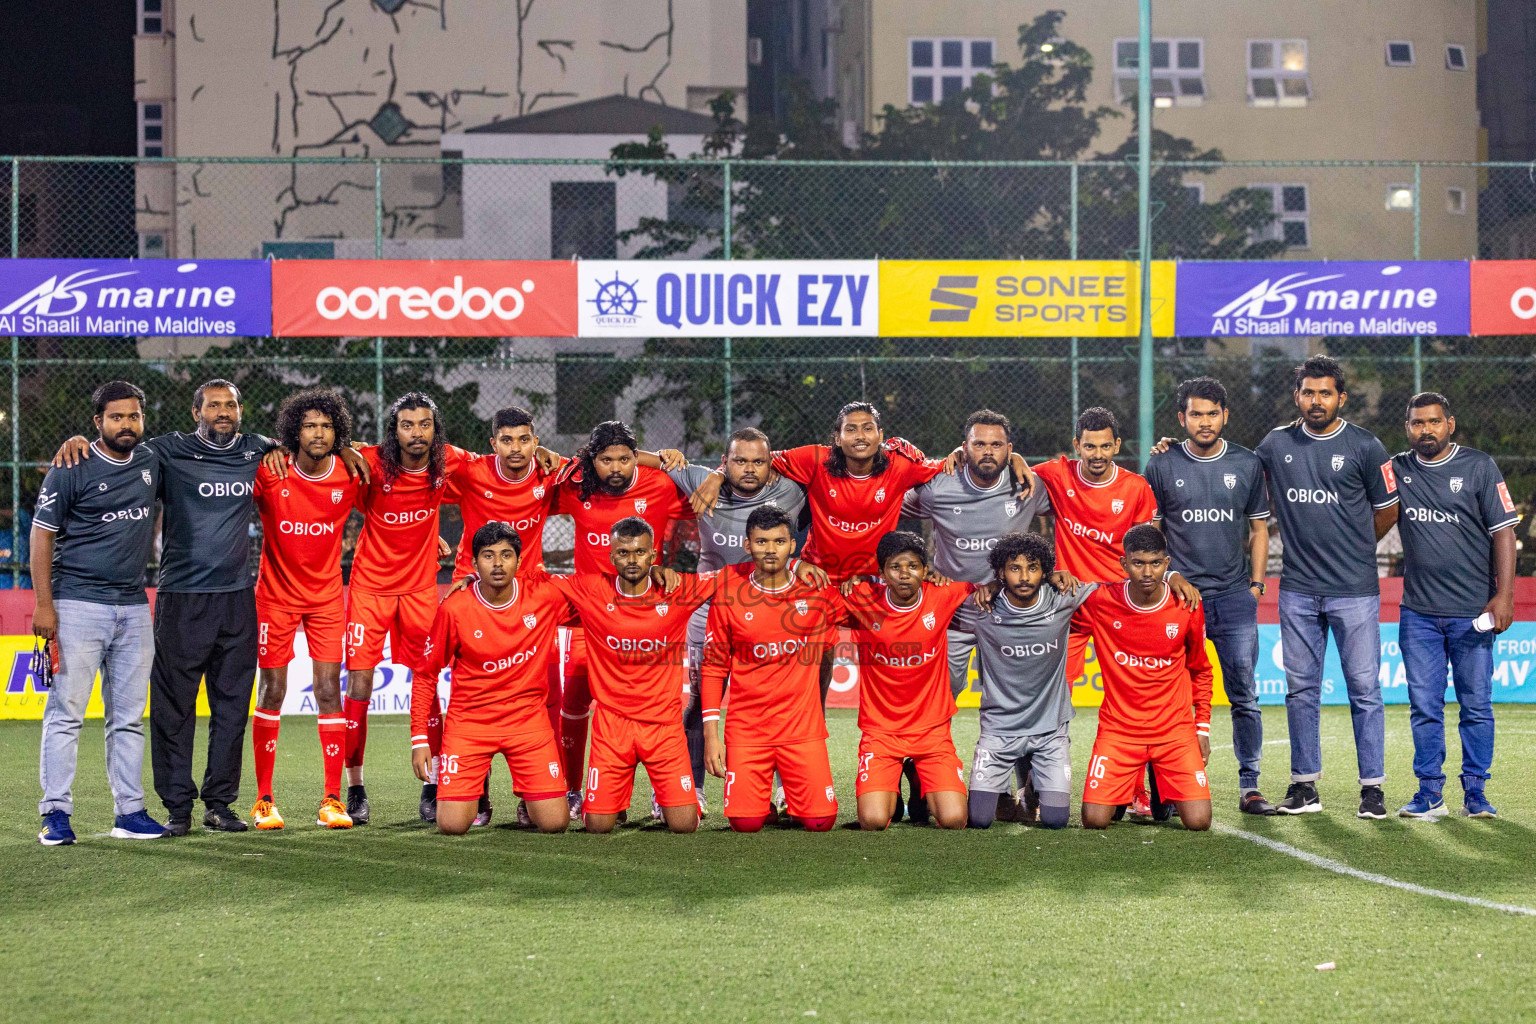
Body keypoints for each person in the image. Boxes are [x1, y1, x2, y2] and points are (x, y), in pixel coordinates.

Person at [53, 379, 280, 835]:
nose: (222, 411)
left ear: (240, 411)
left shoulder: (258, 450)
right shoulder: (165, 451)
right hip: (181, 597)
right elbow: (116, 449)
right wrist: (80, 440)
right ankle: (177, 807)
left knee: (232, 708)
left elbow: (312, 441)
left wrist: (349, 446)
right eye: (213, 405)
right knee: (174, 707)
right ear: (196, 412)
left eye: (230, 405)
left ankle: (219, 804)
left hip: (238, 598)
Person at [1030, 405, 1196, 818]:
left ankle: (1138, 790)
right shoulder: (1057, 474)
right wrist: (1016, 458)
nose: (1098, 454)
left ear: (1117, 445)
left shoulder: (1137, 488)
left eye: (1106, 446)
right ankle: (1038, 788)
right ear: (1077, 446)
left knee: (1133, 696)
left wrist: (1169, 572)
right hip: (1071, 606)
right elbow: (1016, 476)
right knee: (1049, 696)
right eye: (1090, 446)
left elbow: (1147, 546)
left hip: (1119, 608)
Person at [1256, 356, 1398, 819]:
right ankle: (1304, 786)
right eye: (1308, 392)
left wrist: (1356, 549)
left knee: (1364, 688)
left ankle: (1372, 789)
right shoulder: (1276, 444)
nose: (1316, 400)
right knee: (1300, 691)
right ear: (1297, 395)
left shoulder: (1366, 446)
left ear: (1341, 397)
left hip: (1355, 589)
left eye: (1325, 393)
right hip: (1296, 588)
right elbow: (1235, 475)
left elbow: (1388, 508)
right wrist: (1171, 450)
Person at [34, 381, 166, 844]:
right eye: (116, 417)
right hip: (76, 606)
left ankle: (129, 813)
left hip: (133, 608)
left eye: (133, 416)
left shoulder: (152, 461)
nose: (126, 425)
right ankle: (55, 814)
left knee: (128, 717)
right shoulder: (71, 466)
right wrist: (44, 605)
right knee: (66, 713)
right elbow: (41, 535)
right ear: (97, 423)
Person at [902, 409, 1050, 820]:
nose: (988, 451)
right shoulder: (937, 486)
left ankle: (1018, 791)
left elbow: (1077, 498)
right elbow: (890, 500)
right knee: (934, 705)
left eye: (997, 444)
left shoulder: (1029, 485)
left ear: (1010, 450)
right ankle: (922, 784)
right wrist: (916, 564)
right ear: (963, 447)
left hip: (1006, 619)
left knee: (1010, 705)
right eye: (979, 443)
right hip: (950, 619)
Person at [340, 392, 474, 825]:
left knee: (428, 678)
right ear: (393, 430)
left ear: (435, 429)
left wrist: (543, 452)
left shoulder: (448, 460)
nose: (416, 434)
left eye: (424, 425)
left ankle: (432, 785)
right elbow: (330, 457)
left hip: (419, 589)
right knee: (359, 683)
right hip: (370, 588)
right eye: (407, 425)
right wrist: (345, 445)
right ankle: (355, 787)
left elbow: (496, 466)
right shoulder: (372, 462)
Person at [550, 421, 693, 820]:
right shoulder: (577, 487)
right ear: (591, 460)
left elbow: (703, 502)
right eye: (605, 459)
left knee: (652, 705)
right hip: (587, 615)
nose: (615, 467)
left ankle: (664, 793)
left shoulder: (660, 485)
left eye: (624, 458)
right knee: (575, 703)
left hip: (647, 610)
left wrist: (675, 464)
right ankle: (575, 790)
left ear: (636, 457)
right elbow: (527, 498)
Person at [1145, 377, 1274, 815]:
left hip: (1235, 597)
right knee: (1167, 696)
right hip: (1179, 599)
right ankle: (1164, 788)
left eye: (1212, 413)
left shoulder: (1247, 463)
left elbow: (1259, 529)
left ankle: (1250, 784)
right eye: (1196, 414)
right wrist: (1170, 575)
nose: (1205, 422)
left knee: (1244, 693)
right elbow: (1153, 532)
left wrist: (1255, 585)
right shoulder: (1162, 464)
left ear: (1225, 415)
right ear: (1182, 418)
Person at [544, 517, 717, 835]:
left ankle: (662, 796)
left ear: (653, 557)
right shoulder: (592, 588)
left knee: (685, 824)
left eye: (640, 552)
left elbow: (731, 579)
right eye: (623, 553)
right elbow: (533, 583)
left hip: (663, 727)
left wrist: (796, 569)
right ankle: (611, 800)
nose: (632, 559)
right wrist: (473, 580)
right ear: (612, 556)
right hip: (612, 727)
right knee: (598, 826)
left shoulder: (676, 590)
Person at [1390, 392, 1517, 820]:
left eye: (1433, 422)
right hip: (1419, 613)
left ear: (1450, 424)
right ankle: (1429, 794)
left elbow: (1503, 532)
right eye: (1417, 423)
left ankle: (1476, 793)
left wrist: (1503, 595)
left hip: (1472, 612)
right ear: (1407, 427)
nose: (1425, 430)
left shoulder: (1479, 466)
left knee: (1476, 705)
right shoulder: (1397, 468)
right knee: (1424, 705)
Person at [667, 427, 808, 800]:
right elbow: (642, 463)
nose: (749, 469)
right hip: (708, 608)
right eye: (739, 461)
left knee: (779, 698)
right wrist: (670, 456)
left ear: (771, 464)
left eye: (758, 462)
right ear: (725, 462)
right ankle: (691, 789)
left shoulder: (793, 492)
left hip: (770, 610)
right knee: (699, 699)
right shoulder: (701, 478)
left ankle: (785, 788)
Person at [441, 406, 565, 826]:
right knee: (475, 691)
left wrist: (660, 460)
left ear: (535, 440)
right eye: (506, 440)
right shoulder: (471, 470)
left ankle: (532, 793)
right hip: (471, 586)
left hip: (531, 595)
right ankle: (475, 795)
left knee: (541, 692)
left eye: (524, 439)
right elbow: (414, 474)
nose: (516, 448)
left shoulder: (550, 471)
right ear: (493, 443)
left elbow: (602, 461)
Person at [248, 388, 359, 830]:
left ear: (338, 433)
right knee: (272, 689)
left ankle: (332, 799)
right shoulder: (270, 470)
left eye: (327, 426)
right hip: (274, 595)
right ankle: (263, 800)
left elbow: (396, 486)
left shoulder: (350, 473)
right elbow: (235, 455)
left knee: (329, 688)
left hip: (328, 596)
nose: (318, 433)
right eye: (310, 425)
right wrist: (268, 448)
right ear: (294, 431)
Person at [415, 522, 572, 835]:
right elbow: (425, 674)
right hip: (471, 723)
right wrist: (420, 739)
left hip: (527, 721)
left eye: (506, 555)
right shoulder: (455, 607)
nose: (498, 563)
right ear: (474, 564)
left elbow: (599, 602)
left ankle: (529, 797)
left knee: (555, 823)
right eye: (488, 556)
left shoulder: (544, 596)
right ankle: (478, 798)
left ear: (518, 560)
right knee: (452, 826)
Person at [692, 402, 954, 583]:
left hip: (872, 580)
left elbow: (948, 465)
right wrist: (717, 475)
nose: (860, 436)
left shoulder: (902, 464)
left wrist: (960, 453)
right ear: (838, 438)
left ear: (879, 435)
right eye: (850, 429)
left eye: (867, 428)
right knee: (818, 656)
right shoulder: (816, 459)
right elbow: (752, 460)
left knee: (873, 653)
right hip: (817, 575)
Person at [699, 504, 841, 832]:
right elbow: (713, 667)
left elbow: (863, 610)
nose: (770, 549)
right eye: (761, 542)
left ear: (793, 545)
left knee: (820, 821)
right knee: (745, 823)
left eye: (779, 542)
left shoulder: (817, 590)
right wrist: (711, 735)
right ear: (747, 545)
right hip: (748, 729)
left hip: (801, 730)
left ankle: (794, 791)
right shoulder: (728, 594)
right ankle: (761, 799)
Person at [1075, 525, 1213, 832]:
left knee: (1199, 822)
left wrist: (1201, 727)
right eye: (1138, 563)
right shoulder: (1100, 602)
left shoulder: (1187, 605)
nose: (1147, 571)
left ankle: (1160, 788)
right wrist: (1056, 576)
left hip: (1174, 731)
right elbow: (1058, 602)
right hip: (1120, 730)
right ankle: (1129, 790)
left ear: (1166, 564)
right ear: (1124, 565)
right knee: (1094, 820)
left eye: (1155, 563)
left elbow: (1201, 669)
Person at [841, 531, 974, 830]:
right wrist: (856, 576)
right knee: (874, 821)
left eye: (913, 566)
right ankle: (892, 788)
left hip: (932, 730)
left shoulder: (943, 593)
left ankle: (916, 773)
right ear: (882, 572)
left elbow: (984, 586)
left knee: (954, 820)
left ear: (926, 571)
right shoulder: (861, 599)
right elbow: (818, 597)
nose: (905, 574)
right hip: (881, 732)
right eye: (895, 567)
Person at [961, 532, 1091, 830]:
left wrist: (1172, 575)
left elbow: (1117, 590)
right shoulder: (983, 608)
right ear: (1000, 573)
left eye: (1032, 567)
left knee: (1056, 820)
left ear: (1045, 572)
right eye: (1014, 568)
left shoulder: (1062, 599)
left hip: (1050, 730)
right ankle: (1004, 793)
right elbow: (935, 598)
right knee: (979, 819)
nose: (1023, 576)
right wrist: (983, 587)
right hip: (999, 730)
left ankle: (1031, 792)